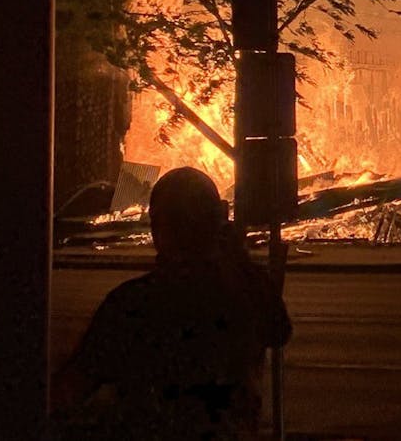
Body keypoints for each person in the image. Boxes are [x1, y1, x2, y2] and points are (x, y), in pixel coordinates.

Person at [53, 167, 292, 439]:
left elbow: (74, 387)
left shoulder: (134, 303)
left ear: (158, 228)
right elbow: (278, 329)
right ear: (219, 220)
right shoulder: (245, 292)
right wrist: (237, 258)